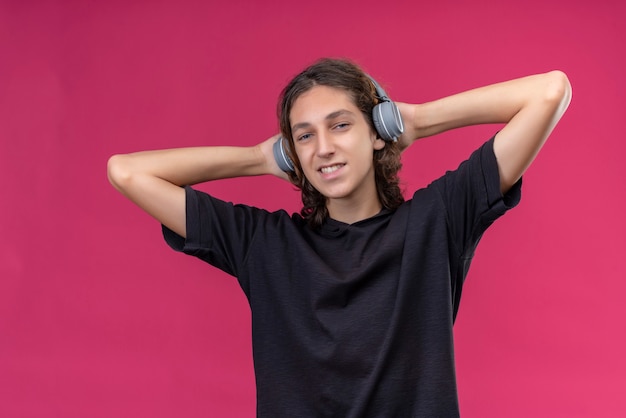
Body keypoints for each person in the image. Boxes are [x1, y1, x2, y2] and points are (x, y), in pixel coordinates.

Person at [107, 58, 571, 417]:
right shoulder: (264, 243)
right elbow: (127, 172)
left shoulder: (438, 220)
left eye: (341, 125)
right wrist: (256, 157)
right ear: (292, 153)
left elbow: (550, 92)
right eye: (304, 136)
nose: (323, 147)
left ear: (377, 130)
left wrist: (416, 121)